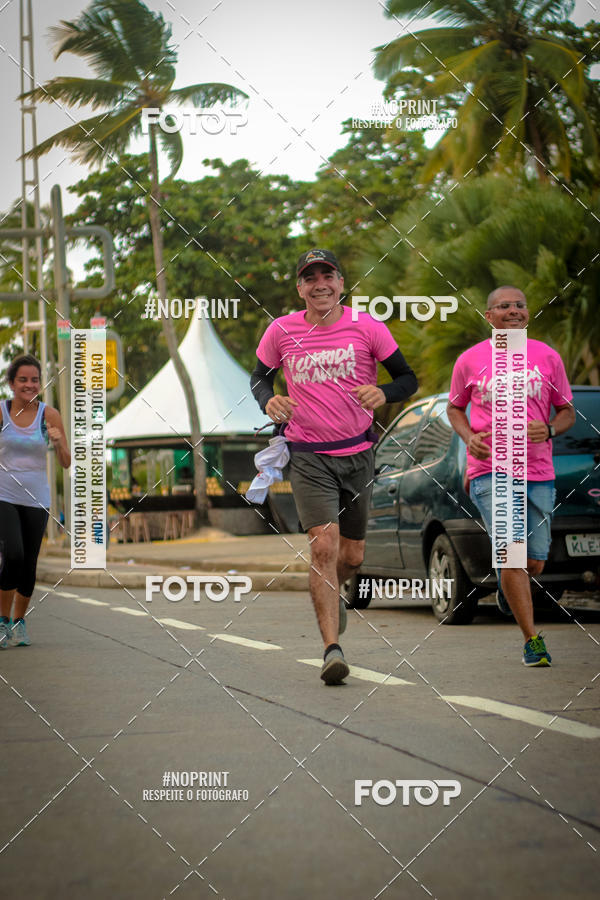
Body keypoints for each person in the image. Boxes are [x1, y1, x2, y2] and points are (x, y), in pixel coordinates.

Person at [251, 249, 417, 685]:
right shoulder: (281, 330)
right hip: (307, 455)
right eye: (310, 278)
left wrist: (384, 392)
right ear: (300, 288)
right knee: (323, 546)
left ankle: (334, 593)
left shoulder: (368, 327)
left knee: (352, 555)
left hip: (358, 454)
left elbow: (407, 378)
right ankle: (331, 649)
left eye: (327, 275)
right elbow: (259, 377)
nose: (319, 283)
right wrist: (267, 399)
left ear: (341, 283)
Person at [447, 286, 575, 666]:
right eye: (504, 306)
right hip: (491, 471)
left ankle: (509, 586)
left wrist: (551, 429)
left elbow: (566, 410)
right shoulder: (470, 361)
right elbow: (455, 408)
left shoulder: (547, 357)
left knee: (533, 562)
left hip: (538, 471)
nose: (514, 310)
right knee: (513, 554)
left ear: (528, 313)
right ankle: (532, 640)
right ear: (489, 316)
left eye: (520, 305)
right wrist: (470, 438)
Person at [0, 354, 71, 648]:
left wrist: (57, 442)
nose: (29, 385)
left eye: (34, 380)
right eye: (23, 380)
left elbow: (66, 462)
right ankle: (3, 621)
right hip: (4, 494)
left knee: (29, 564)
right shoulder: (1, 412)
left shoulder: (49, 415)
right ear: (12, 383)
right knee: (13, 555)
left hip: (36, 498)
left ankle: (19, 622)